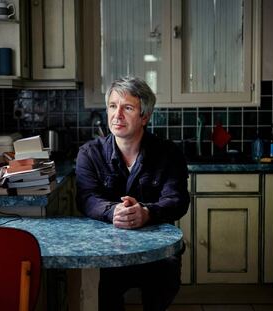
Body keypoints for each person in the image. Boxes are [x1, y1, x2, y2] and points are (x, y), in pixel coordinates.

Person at [75, 76, 190, 311]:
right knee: (106, 293)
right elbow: (86, 198)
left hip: (156, 248)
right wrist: (113, 211)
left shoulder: (168, 153)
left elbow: (177, 200)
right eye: (113, 106)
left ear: (144, 116)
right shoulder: (89, 153)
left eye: (127, 108)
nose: (117, 115)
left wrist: (146, 213)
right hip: (108, 247)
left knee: (166, 273)